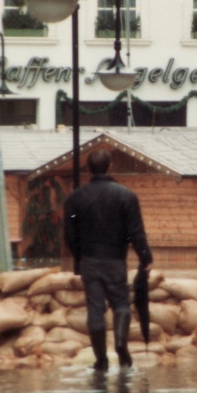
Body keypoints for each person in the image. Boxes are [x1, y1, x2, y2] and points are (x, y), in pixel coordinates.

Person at [63, 149, 152, 371]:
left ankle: (101, 359)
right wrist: (145, 257)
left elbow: (69, 233)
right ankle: (121, 344)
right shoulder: (126, 196)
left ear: (89, 169)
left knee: (95, 309)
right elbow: (135, 232)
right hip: (115, 260)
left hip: (89, 260)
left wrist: (79, 256)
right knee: (121, 304)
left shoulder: (75, 199)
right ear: (110, 166)